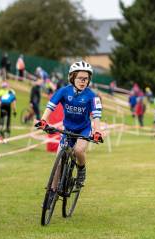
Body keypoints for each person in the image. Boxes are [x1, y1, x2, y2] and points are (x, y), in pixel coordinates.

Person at [35, 60, 103, 189]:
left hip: (83, 129)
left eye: (86, 79)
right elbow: (51, 106)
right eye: (80, 78)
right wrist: (43, 120)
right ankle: (52, 191)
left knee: (78, 150)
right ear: (72, 78)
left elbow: (96, 115)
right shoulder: (64, 91)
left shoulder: (92, 96)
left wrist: (97, 132)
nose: (83, 81)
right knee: (59, 162)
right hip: (68, 129)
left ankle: (81, 171)